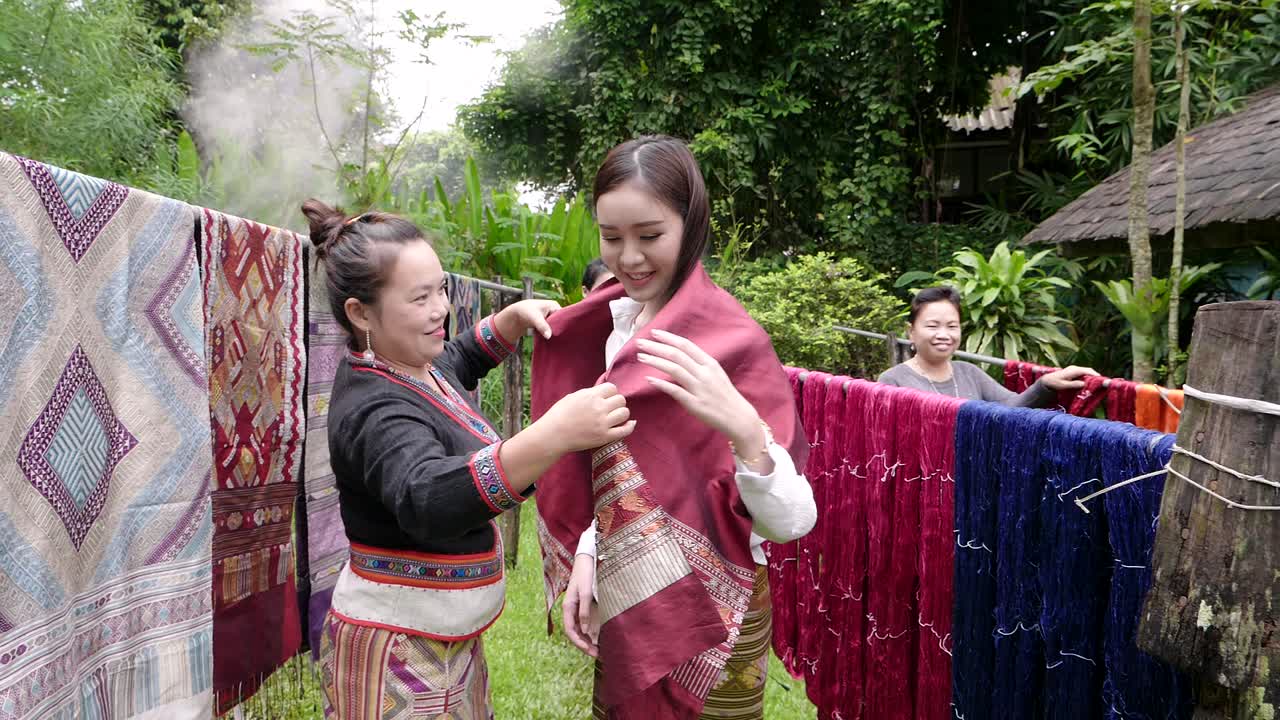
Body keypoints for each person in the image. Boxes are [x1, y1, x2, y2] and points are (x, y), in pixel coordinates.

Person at [303, 199, 635, 720]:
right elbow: (429, 497)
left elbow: (458, 359)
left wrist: (507, 322)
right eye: (420, 298)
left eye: (440, 290)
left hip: (444, 639)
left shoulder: (413, 365)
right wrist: (551, 436)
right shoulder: (371, 406)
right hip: (397, 651)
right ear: (360, 312)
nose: (441, 309)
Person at [529, 136, 816, 720]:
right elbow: (626, 474)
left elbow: (790, 523)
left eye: (650, 236)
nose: (629, 258)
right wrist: (589, 551)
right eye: (612, 238)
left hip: (719, 613)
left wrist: (741, 427)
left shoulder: (734, 343)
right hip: (627, 592)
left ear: (692, 223)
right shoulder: (617, 326)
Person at [877, 285, 1097, 404]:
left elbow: (1012, 407)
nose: (943, 334)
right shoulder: (892, 380)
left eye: (952, 326)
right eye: (933, 326)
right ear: (911, 332)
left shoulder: (969, 373)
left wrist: (1046, 384)